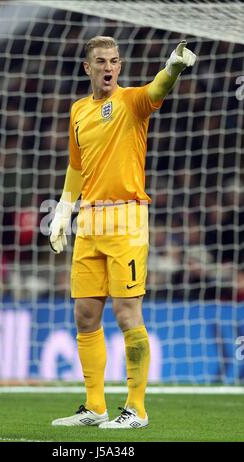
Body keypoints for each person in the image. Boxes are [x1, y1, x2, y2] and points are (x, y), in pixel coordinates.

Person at [49, 36, 196, 428]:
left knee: (126, 311)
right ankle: (95, 406)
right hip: (90, 221)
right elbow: (76, 166)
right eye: (101, 61)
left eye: (114, 60)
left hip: (127, 219)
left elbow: (157, 87)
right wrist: (64, 210)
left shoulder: (132, 101)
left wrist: (174, 67)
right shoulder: (78, 110)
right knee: (84, 313)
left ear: (120, 65)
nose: (108, 67)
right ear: (88, 68)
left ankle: (136, 410)